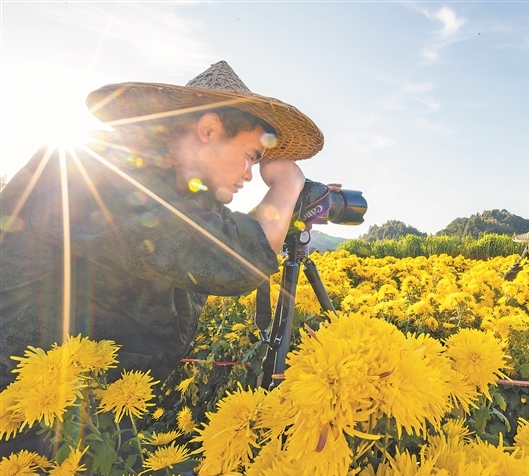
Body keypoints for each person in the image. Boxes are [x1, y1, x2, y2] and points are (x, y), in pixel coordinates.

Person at [0, 61, 328, 394]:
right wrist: (288, 183)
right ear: (210, 129)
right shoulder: (98, 169)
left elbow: (233, 234)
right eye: (251, 155)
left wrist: (289, 204)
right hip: (25, 400)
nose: (249, 174)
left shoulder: (180, 193)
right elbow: (232, 257)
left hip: (87, 396)